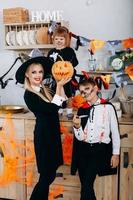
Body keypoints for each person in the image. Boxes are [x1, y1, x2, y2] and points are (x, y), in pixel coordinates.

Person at [15, 56, 70, 200]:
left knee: (49, 175)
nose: (38, 75)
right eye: (34, 72)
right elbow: (52, 108)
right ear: (27, 74)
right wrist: (58, 86)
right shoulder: (29, 94)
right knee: (46, 177)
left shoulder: (44, 89)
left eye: (40, 72)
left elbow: (63, 104)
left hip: (52, 135)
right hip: (44, 137)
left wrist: (60, 85)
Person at [71, 77, 120, 200]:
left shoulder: (108, 107)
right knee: (86, 186)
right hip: (83, 151)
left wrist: (116, 154)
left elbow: (115, 132)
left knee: (87, 184)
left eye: (87, 89)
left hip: (99, 151)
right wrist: (77, 127)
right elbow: (81, 137)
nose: (85, 93)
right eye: (82, 91)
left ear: (96, 88)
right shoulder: (82, 109)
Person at [47, 26, 79, 98]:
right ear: (53, 39)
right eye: (56, 39)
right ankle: (58, 108)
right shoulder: (51, 52)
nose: (59, 41)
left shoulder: (69, 51)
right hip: (55, 79)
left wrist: (68, 65)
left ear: (66, 40)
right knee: (56, 96)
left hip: (67, 79)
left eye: (61, 39)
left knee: (68, 96)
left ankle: (69, 109)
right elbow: (48, 64)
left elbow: (75, 63)